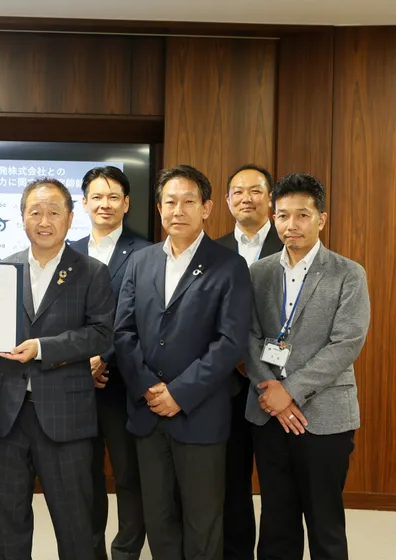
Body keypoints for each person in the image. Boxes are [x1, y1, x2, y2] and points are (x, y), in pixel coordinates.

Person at [113, 165, 252, 560]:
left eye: (188, 201)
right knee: (159, 519)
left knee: (203, 521)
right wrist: (147, 387)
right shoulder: (140, 262)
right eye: (170, 202)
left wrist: (179, 393)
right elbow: (123, 332)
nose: (178, 210)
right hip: (147, 411)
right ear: (159, 208)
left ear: (206, 208)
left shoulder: (229, 265)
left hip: (200, 412)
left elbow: (230, 343)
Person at [245, 173, 370, 560]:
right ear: (274, 218)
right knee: (276, 523)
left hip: (324, 417)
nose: (291, 224)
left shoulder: (348, 273)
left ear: (321, 219)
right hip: (268, 414)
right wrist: (271, 391)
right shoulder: (259, 272)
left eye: (302, 215)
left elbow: (346, 342)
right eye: (283, 215)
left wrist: (289, 391)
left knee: (324, 524)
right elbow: (247, 337)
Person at [0, 178, 114, 560]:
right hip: (10, 414)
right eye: (35, 212)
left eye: (54, 212)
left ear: (70, 218)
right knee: (9, 521)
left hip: (66, 415)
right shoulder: (2, 269)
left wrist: (43, 348)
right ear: (22, 217)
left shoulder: (91, 271)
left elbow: (101, 333)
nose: (44, 221)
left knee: (75, 523)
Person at [70, 166, 150, 560]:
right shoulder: (67, 251)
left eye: (113, 197)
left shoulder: (146, 252)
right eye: (97, 197)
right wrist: (79, 360)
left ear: (126, 203)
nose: (105, 204)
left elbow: (142, 317)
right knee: (83, 479)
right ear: (84, 203)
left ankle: (126, 552)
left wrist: (104, 358)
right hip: (74, 383)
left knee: (128, 475)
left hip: (122, 383)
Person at [215, 163, 283, 560]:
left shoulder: (291, 243)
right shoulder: (212, 250)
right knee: (232, 484)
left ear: (270, 198)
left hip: (278, 384)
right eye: (238, 192)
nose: (246, 198)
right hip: (227, 385)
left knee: (278, 487)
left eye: (255, 190)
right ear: (226, 201)